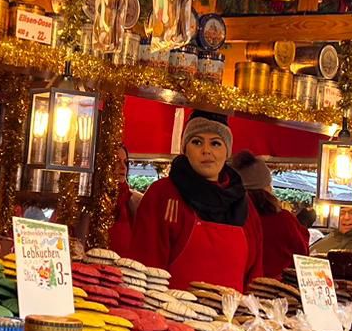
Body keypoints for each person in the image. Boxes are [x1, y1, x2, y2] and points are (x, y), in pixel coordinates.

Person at [127, 114, 262, 292]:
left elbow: (255, 277)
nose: (206, 150)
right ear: (185, 149)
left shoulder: (243, 203)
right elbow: (144, 266)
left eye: (215, 143)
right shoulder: (163, 193)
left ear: (227, 151)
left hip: (231, 317)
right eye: (197, 142)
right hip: (171, 315)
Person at [231, 150, 309, 281]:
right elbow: (303, 254)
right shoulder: (284, 220)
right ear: (266, 187)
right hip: (279, 290)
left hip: (238, 289)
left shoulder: (231, 218)